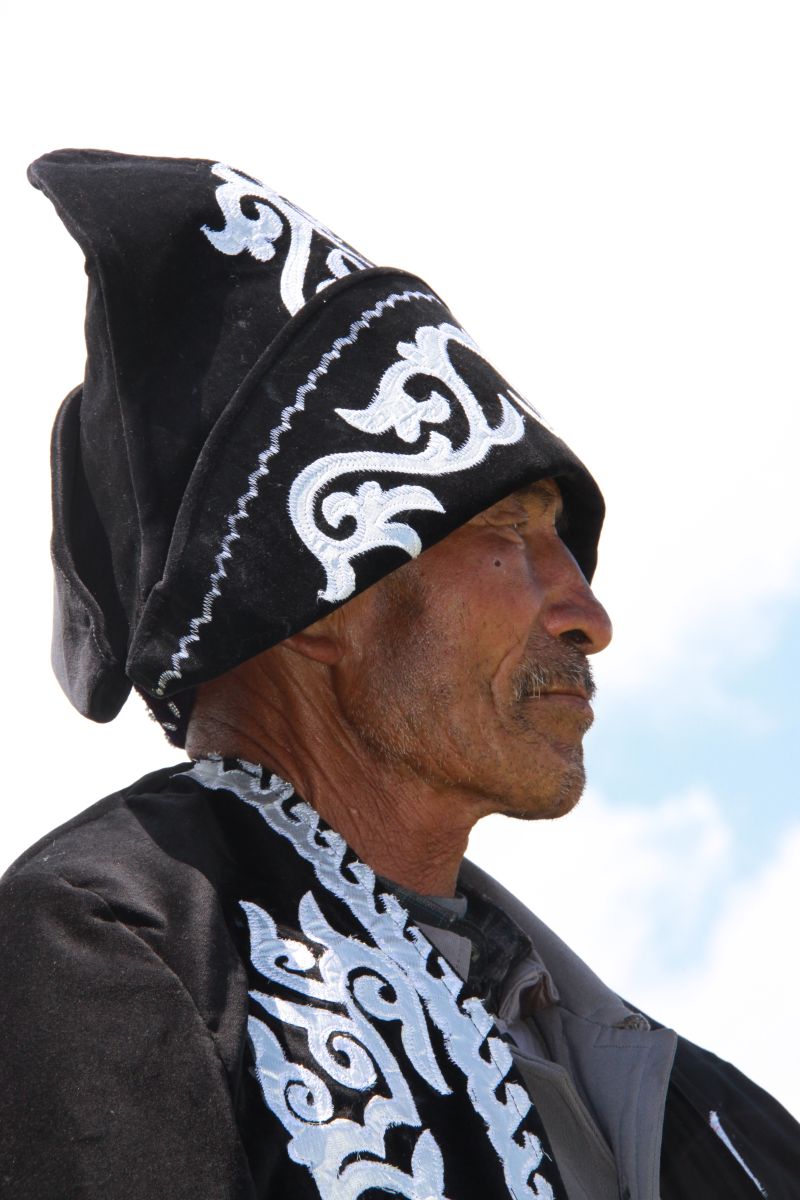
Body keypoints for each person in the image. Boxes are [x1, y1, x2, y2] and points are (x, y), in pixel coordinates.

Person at [0, 149, 796, 1200]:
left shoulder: (720, 1126)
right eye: (508, 532)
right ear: (319, 598)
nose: (588, 617)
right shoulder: (110, 945)